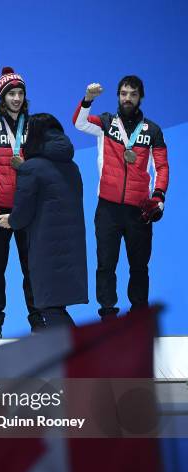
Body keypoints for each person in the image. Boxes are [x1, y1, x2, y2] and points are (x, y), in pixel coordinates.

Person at [73, 76, 169, 320]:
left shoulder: (152, 130)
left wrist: (158, 198)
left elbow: (161, 167)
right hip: (108, 208)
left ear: (140, 97)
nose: (127, 98)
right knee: (106, 265)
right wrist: (87, 100)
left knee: (139, 267)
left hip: (139, 211)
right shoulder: (106, 123)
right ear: (118, 96)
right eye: (124, 93)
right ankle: (107, 315)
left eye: (133, 94)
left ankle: (138, 315)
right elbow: (79, 123)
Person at [0, 67, 44, 338]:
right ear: (2, 98)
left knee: (32, 267)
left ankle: (38, 320)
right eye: (11, 93)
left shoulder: (35, 125)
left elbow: (45, 164)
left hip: (28, 209)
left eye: (20, 93)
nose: (16, 98)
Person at [0, 114, 88, 327]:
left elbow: (23, 211)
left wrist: (11, 220)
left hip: (46, 244)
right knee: (57, 304)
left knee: (49, 306)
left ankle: (78, 354)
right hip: (70, 245)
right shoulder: (71, 166)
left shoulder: (32, 167)